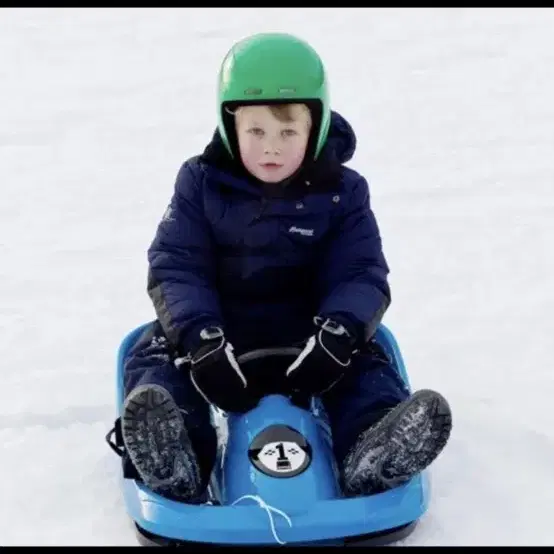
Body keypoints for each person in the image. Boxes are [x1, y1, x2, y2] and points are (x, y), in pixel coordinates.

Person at [109, 32, 452, 503]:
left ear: (316, 127)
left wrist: (339, 335)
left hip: (310, 337)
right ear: (231, 128)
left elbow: (361, 270)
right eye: (256, 132)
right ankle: (178, 456)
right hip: (220, 333)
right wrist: (200, 338)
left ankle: (373, 448)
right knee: (153, 356)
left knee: (369, 366)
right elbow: (176, 264)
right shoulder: (200, 182)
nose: (271, 148)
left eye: (288, 132)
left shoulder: (343, 192)